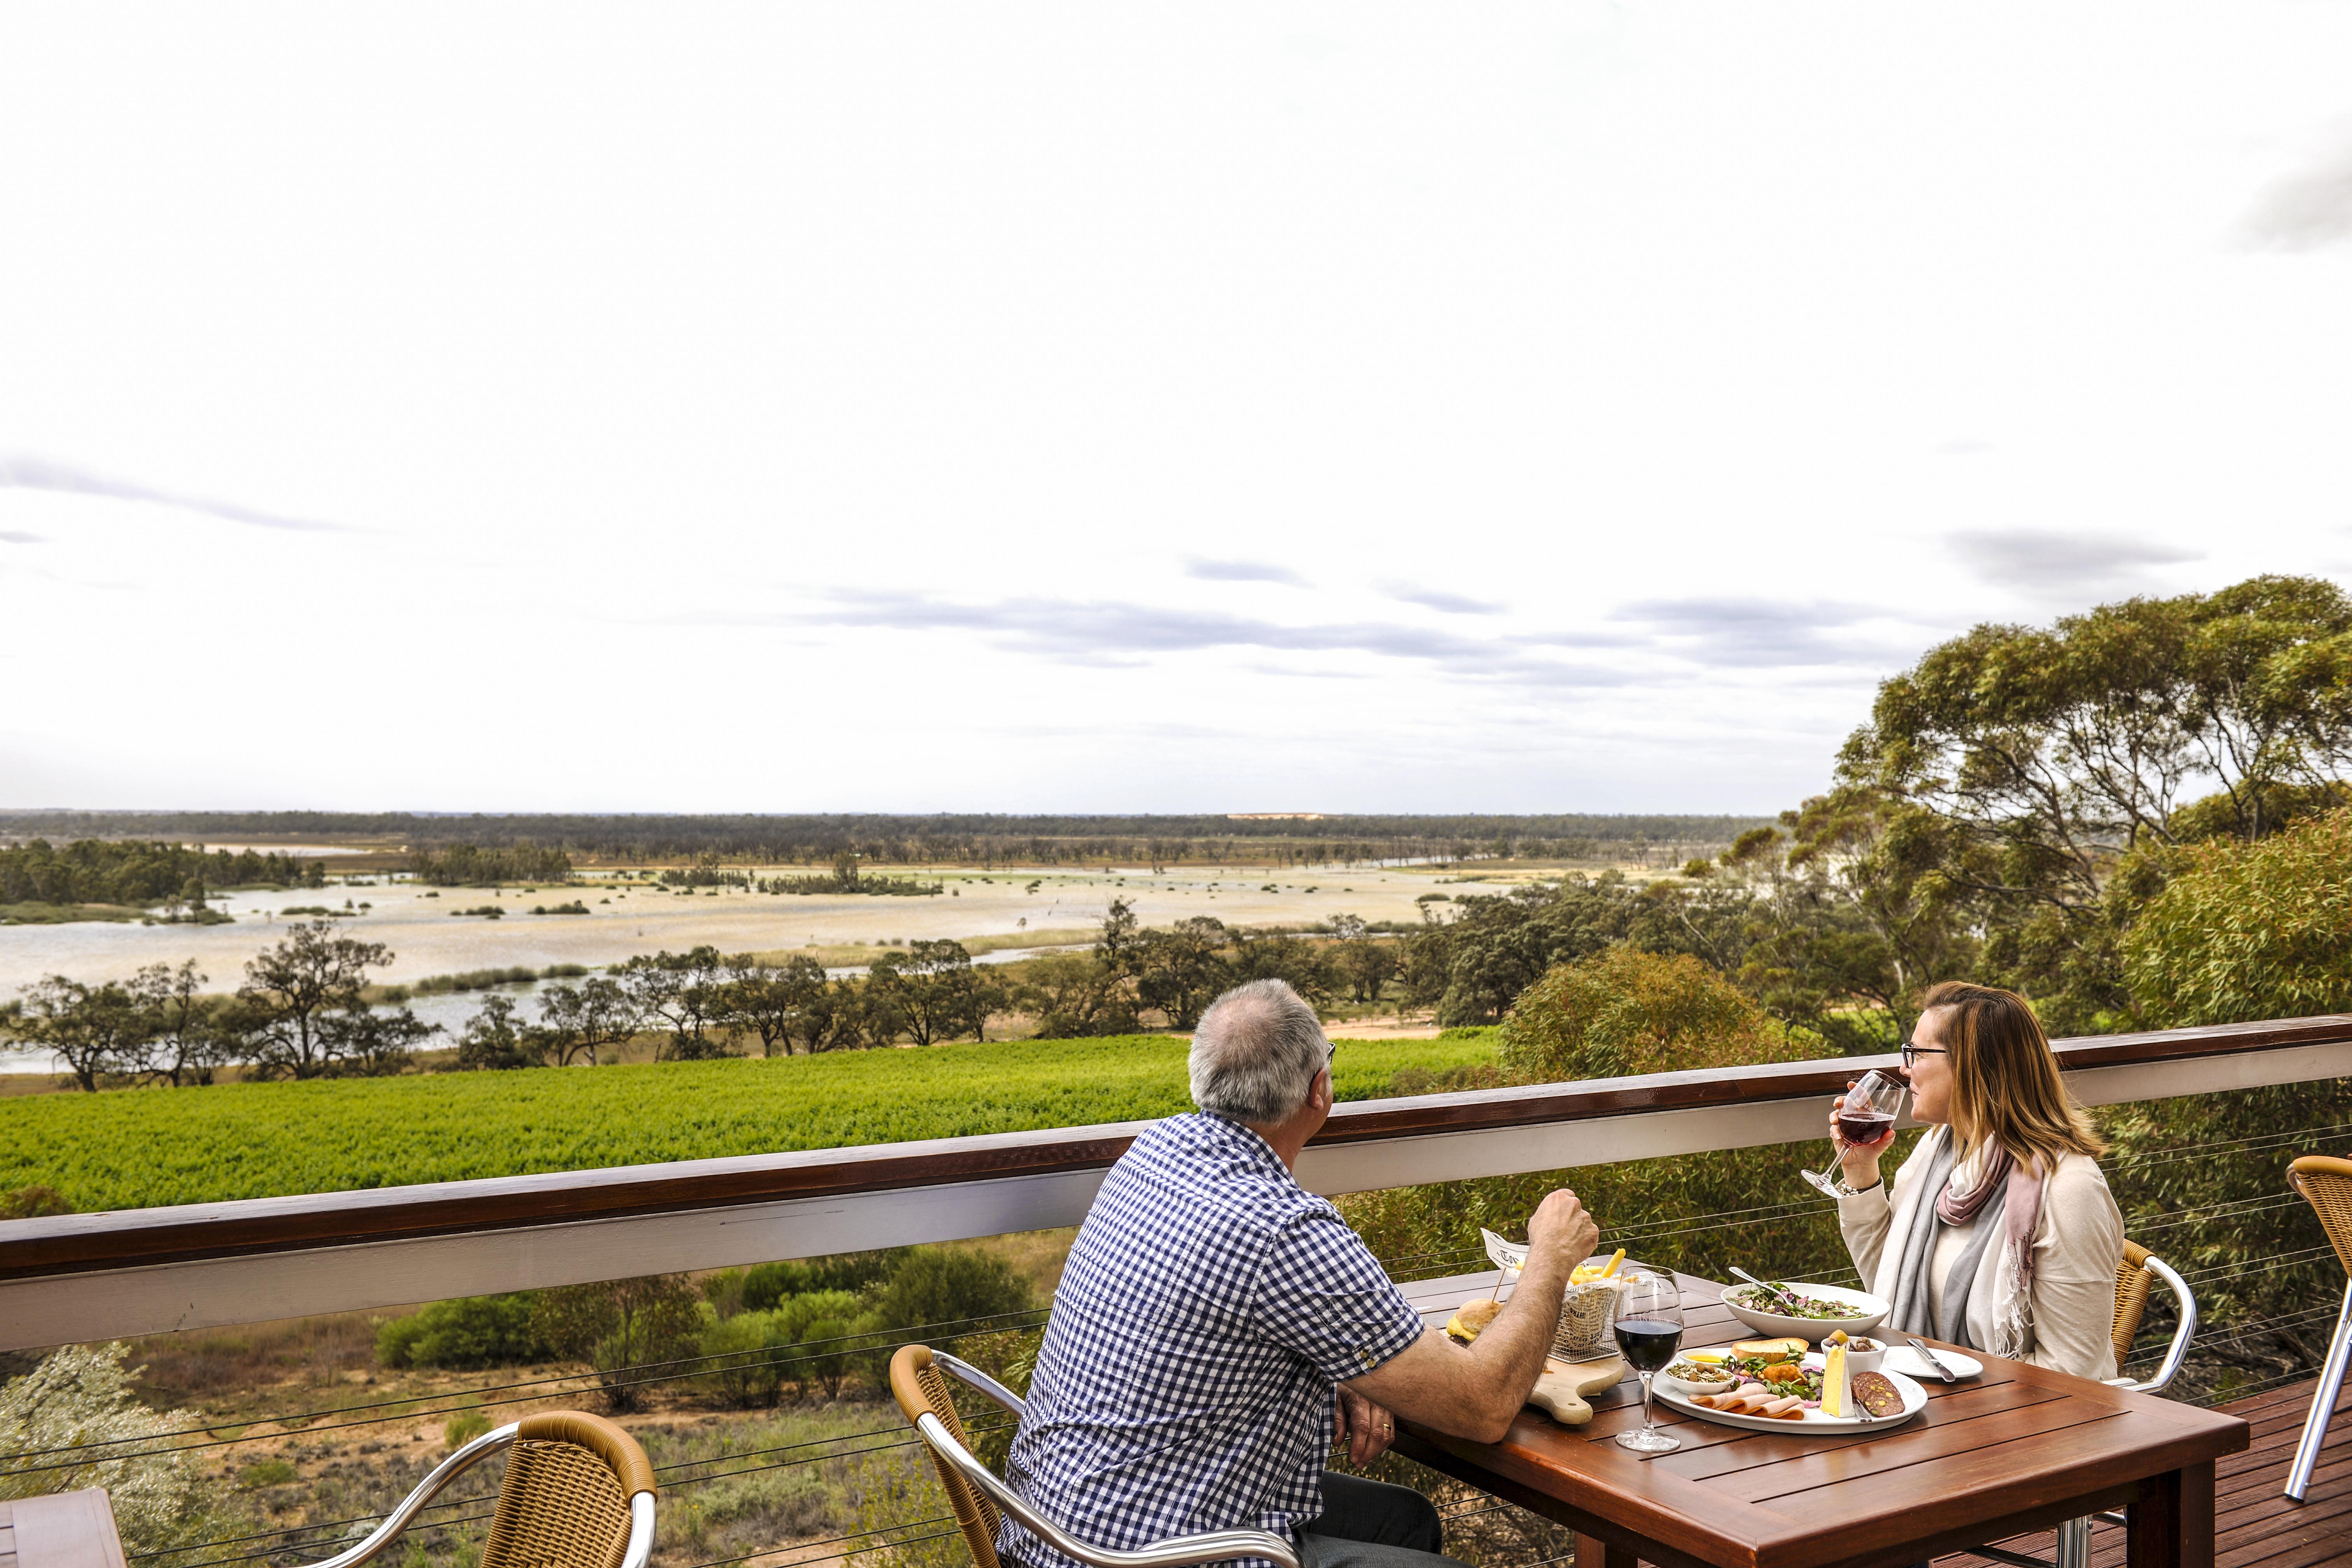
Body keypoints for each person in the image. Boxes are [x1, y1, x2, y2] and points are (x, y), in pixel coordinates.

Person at [1000, 978, 1598, 1568]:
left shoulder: (1154, 1151)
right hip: (1148, 1555)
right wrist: (1548, 1257)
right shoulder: (1285, 1230)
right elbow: (1483, 1409)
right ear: (1320, 1089)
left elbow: (1211, 1330)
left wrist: (1352, 1373)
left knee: (1407, 1520)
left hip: (1052, 1526)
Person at [1831, 980, 2124, 1379]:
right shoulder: (1938, 1151)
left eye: (1916, 1054)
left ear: (1974, 1066)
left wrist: (1953, 1403)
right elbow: (1886, 1281)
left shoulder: (2070, 1190)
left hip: (2024, 1422)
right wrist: (1860, 1171)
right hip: (1928, 1395)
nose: (1904, 1068)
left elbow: (2072, 1372)